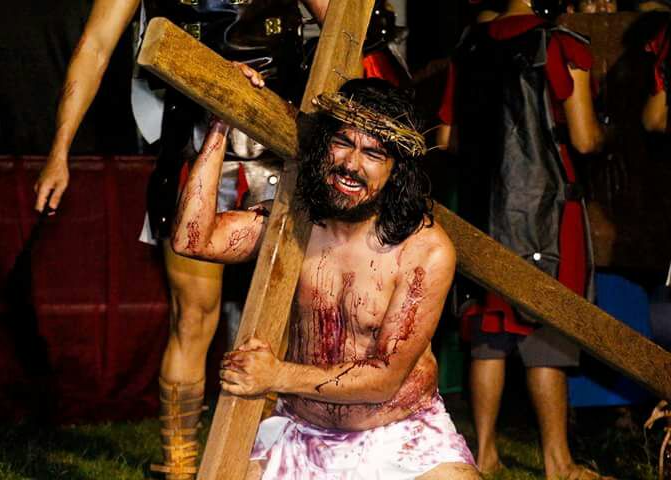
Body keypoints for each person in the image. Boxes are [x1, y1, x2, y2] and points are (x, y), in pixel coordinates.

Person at [32, 1, 328, 478]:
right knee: (192, 316)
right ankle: (179, 465)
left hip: (282, 146)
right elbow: (96, 45)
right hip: (193, 146)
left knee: (286, 321)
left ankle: (272, 460)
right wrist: (59, 150)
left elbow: (343, 26)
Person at [171, 76, 478, 480]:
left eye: (373, 153)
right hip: (300, 432)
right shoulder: (292, 223)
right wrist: (220, 125)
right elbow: (193, 239)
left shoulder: (424, 252)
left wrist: (276, 375)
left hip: (402, 435)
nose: (351, 164)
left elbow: (384, 379)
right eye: (342, 142)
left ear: (396, 170)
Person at [436, 1, 609, 479]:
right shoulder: (560, 44)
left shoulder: (469, 46)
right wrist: (607, 136)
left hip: (482, 212)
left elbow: (448, 138)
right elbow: (585, 138)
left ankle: (485, 453)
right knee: (548, 330)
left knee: (488, 334)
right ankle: (559, 462)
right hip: (545, 209)